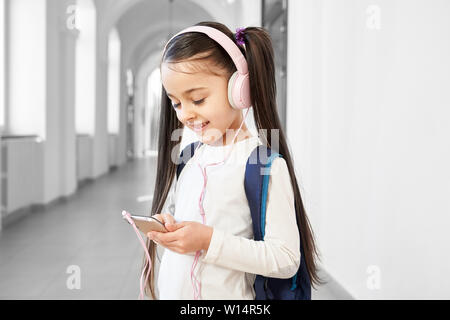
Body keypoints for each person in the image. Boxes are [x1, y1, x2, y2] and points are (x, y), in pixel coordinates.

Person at [142, 21, 321, 300]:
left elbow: (285, 258)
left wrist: (208, 240)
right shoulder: (188, 159)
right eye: (176, 103)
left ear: (240, 89)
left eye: (198, 99)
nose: (185, 115)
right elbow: (193, 217)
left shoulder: (262, 165)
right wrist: (172, 225)